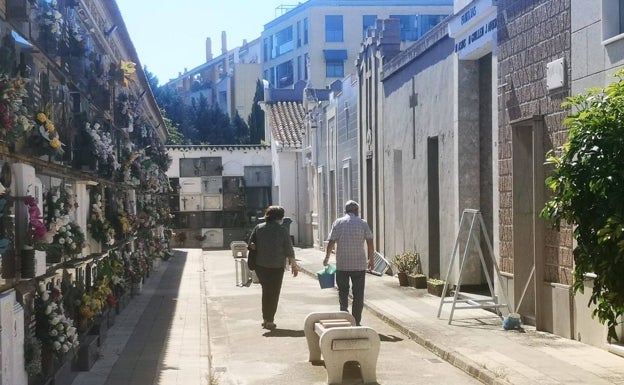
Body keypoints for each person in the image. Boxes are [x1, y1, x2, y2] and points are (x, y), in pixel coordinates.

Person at [323, 200, 374, 326]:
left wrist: (327, 257)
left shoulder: (338, 222)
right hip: (359, 265)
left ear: (345, 210)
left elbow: (331, 242)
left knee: (343, 292)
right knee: (358, 294)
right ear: (357, 211)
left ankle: (345, 318)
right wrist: (371, 259)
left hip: (342, 265)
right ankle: (356, 321)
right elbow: (370, 242)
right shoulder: (363, 223)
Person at [248, 205, 298, 330]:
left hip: (261, 265)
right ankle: (269, 320)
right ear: (280, 217)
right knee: (274, 292)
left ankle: (265, 318)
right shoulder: (282, 230)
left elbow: (251, 244)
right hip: (277, 266)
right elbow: (288, 249)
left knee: (266, 291)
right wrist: (294, 265)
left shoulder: (258, 228)